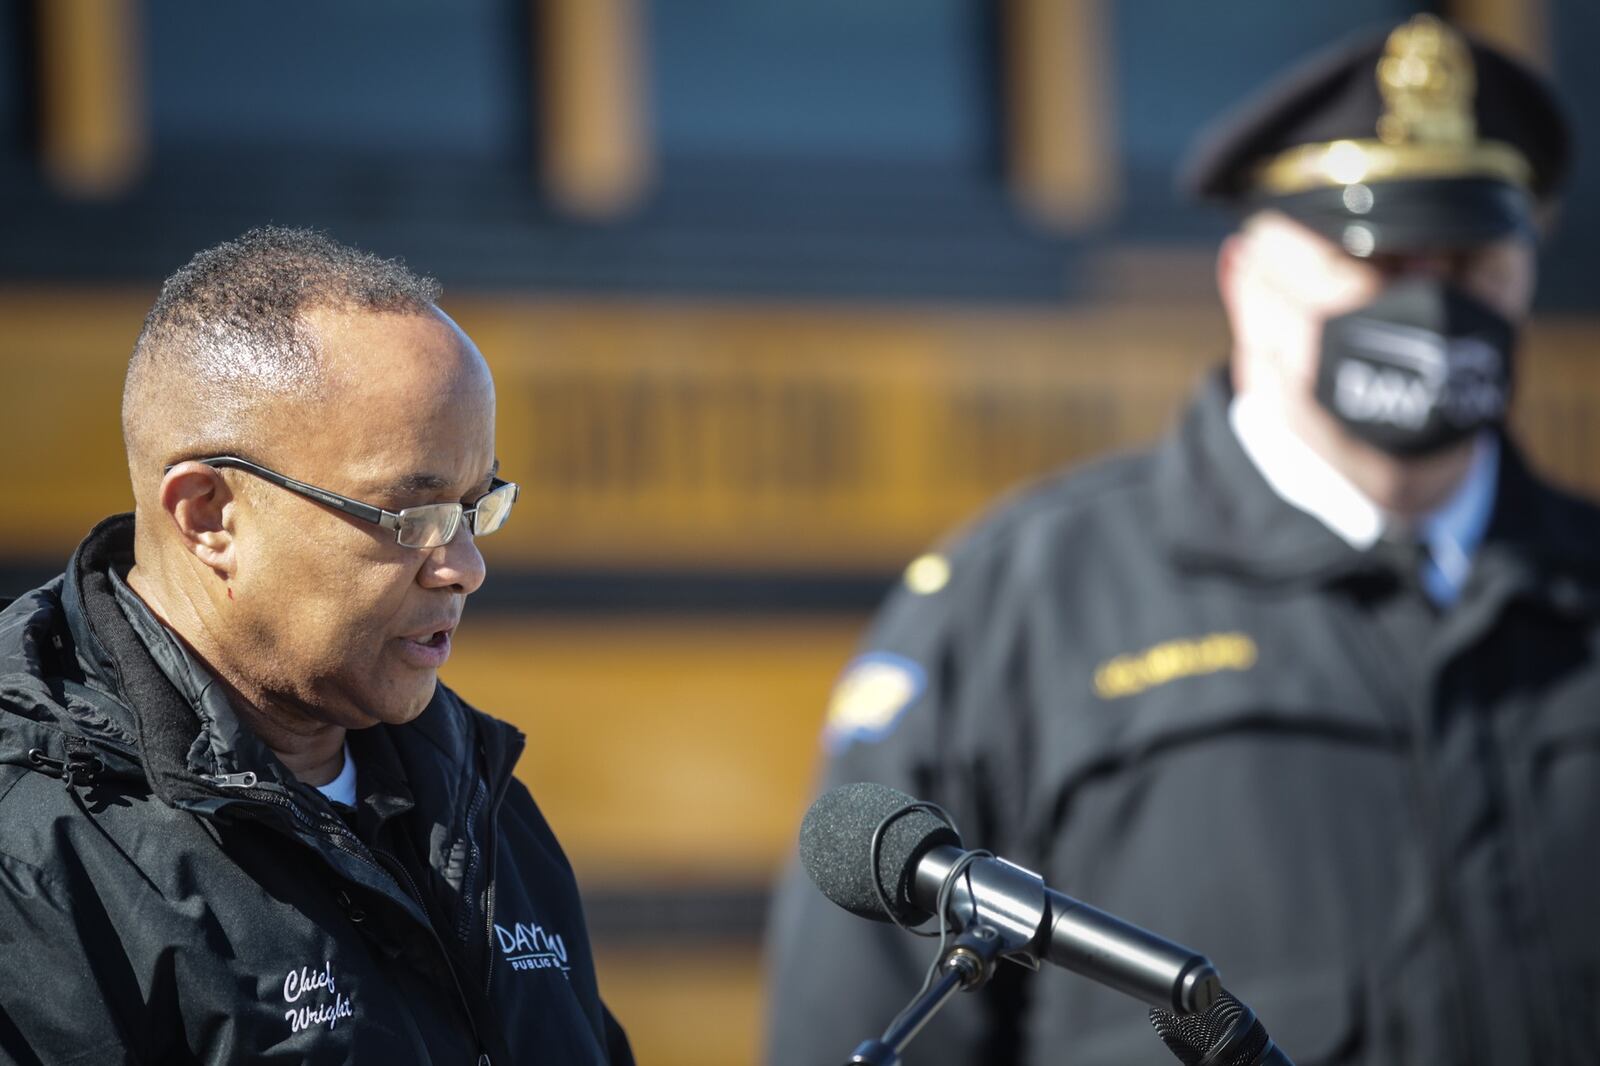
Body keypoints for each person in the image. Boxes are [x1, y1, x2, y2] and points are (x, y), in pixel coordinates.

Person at [766, 16, 1600, 1066]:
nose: (1429, 297)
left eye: (1471, 254)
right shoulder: (1017, 609)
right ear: (1245, 278)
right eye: (1375, 252)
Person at [0, 228, 633, 1064]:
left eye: (478, 507)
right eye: (410, 517)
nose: (465, 568)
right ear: (209, 516)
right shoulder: (37, 856)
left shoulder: (476, 798)